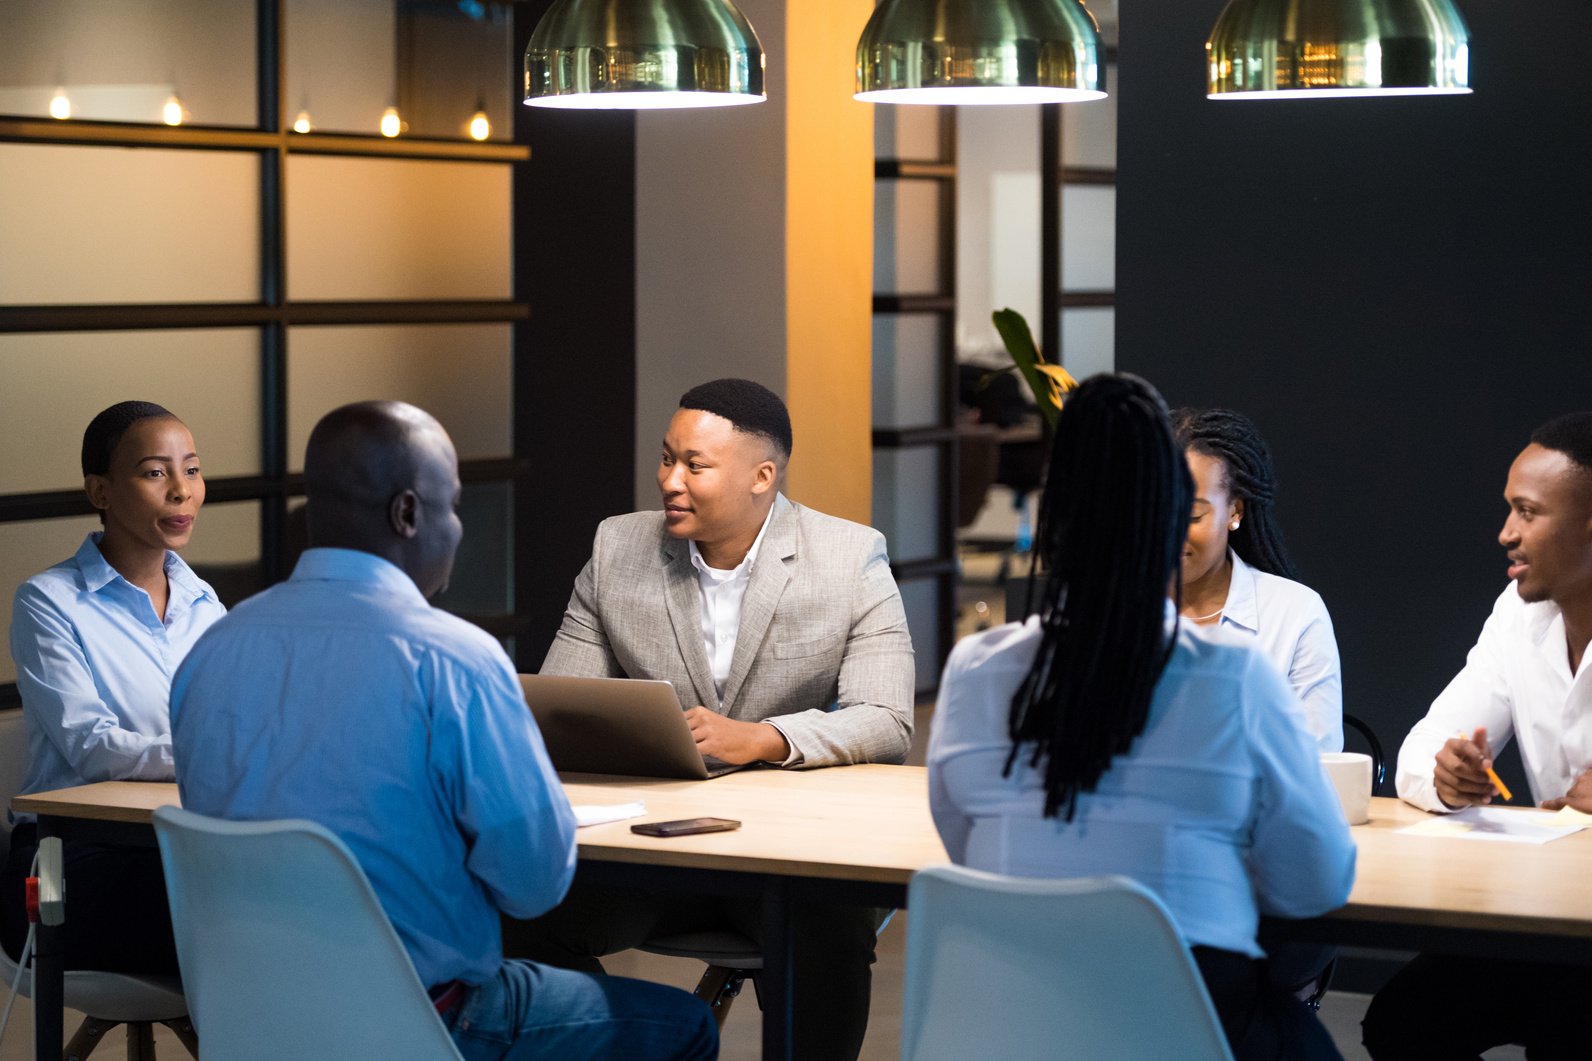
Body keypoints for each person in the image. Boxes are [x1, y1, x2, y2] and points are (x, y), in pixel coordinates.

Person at [169, 401, 716, 1061]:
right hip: (426, 1023)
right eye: (453, 506)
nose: (458, 529)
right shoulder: (452, 659)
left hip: (252, 1020)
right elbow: (533, 883)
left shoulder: (211, 651)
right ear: (407, 514)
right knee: (684, 1025)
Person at [929, 374, 1355, 1061]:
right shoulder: (1234, 677)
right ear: (1167, 517)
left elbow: (963, 848)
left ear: (1055, 521)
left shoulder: (975, 670)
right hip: (1185, 1021)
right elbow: (1319, 880)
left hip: (1011, 1018)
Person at [518, 377, 915, 1060]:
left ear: (763, 476)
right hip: (655, 852)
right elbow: (557, 704)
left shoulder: (850, 558)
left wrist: (765, 737)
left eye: (694, 464)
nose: (669, 479)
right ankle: (637, 1044)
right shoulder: (618, 549)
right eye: (666, 457)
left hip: (789, 858)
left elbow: (886, 719)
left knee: (827, 929)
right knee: (519, 902)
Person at [1363, 411, 1592, 1059]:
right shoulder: (1517, 615)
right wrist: (1446, 775)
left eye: (1527, 512)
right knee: (1404, 1021)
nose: (1505, 534)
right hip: (1552, 927)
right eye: (1508, 510)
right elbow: (1421, 746)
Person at [3, 401, 222, 975]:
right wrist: (210, 756)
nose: (181, 491)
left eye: (192, 469)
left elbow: (235, 723)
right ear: (100, 491)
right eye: (155, 472)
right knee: (255, 913)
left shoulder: (205, 604)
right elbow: (91, 746)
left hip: (180, 844)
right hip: (73, 862)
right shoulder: (48, 601)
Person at [1173, 407, 1344, 750]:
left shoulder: (1294, 614)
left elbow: (1318, 762)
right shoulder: (1107, 613)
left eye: (1191, 514)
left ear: (1234, 510)